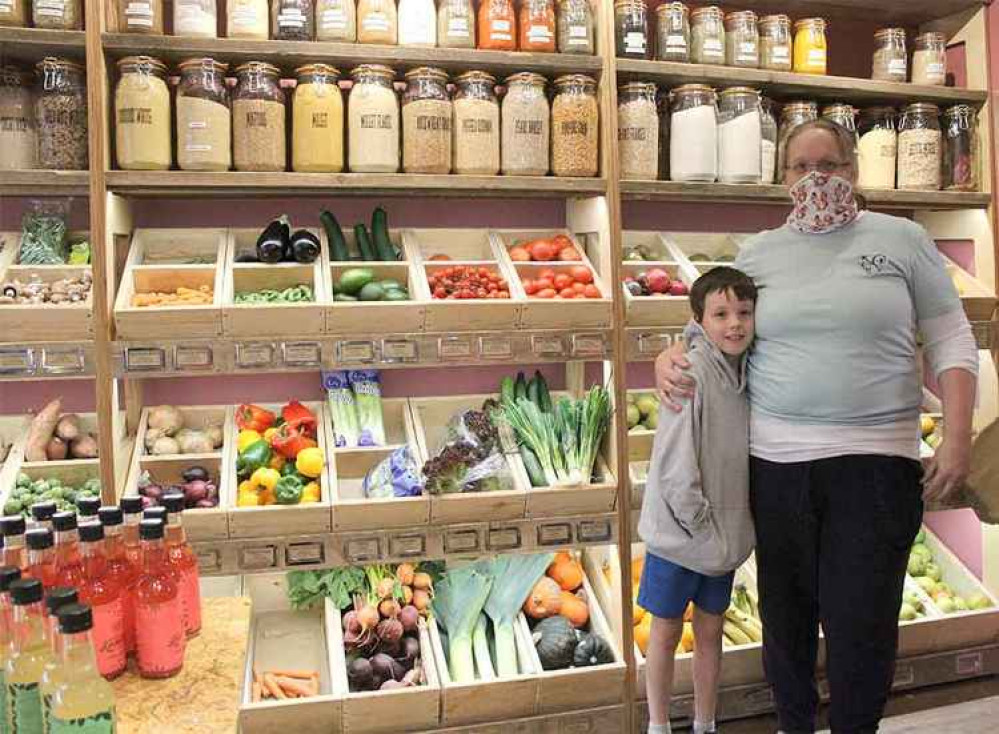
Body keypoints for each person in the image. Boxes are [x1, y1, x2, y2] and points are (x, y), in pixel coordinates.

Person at [655, 118, 979, 734]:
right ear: (784, 181)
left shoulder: (903, 239)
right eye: (802, 168)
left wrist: (957, 437)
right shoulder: (759, 253)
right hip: (776, 467)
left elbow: (950, 335)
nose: (817, 178)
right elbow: (713, 335)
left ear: (853, 172)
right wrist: (668, 355)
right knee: (787, 622)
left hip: (878, 466)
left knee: (863, 624)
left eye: (829, 164)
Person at [639, 266, 758, 734]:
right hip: (681, 533)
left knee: (711, 632)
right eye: (721, 314)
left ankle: (706, 723)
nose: (734, 323)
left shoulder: (744, 370)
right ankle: (659, 724)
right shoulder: (688, 371)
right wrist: (701, 525)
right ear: (699, 321)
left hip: (723, 537)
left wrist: (723, 535)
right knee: (665, 633)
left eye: (744, 313)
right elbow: (674, 466)